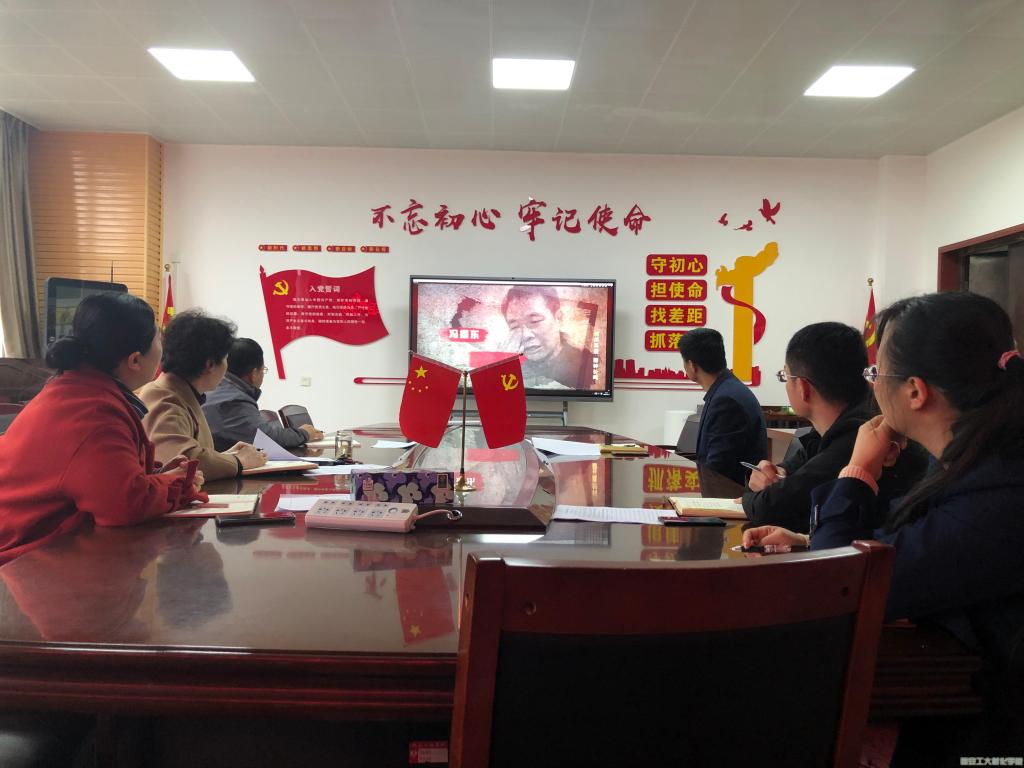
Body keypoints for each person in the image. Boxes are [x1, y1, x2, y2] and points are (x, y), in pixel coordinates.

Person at [744, 292, 1024, 759]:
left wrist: (858, 470)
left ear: (915, 391)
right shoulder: (975, 459)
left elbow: (840, 584)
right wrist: (809, 540)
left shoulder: (998, 487)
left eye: (877, 373)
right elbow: (910, 542)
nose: (871, 385)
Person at [0, 293, 205, 565]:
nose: (162, 347)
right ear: (134, 360)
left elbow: (104, 478)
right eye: (158, 338)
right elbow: (125, 504)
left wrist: (156, 475)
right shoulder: (93, 412)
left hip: (46, 553)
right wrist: (178, 482)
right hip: (21, 565)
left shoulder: (78, 389)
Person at [742, 322, 926, 532]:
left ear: (803, 387)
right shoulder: (833, 427)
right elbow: (791, 474)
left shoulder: (861, 435)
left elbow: (768, 508)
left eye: (785, 376)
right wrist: (767, 475)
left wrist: (751, 493)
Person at [140, 310, 266, 481]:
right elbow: (183, 461)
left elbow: (193, 451)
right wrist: (238, 461)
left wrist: (226, 457)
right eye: (226, 358)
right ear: (210, 364)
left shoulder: (181, 392)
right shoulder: (163, 398)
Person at [678, 328, 767, 485]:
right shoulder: (726, 389)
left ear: (692, 365)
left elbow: (719, 468)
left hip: (729, 493)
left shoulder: (726, 401)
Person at [203, 338, 323, 452]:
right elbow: (268, 438)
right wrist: (304, 433)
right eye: (263, 370)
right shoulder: (234, 400)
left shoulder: (217, 388)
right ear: (254, 373)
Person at [500, 285, 594, 389]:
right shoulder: (510, 370)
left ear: (559, 318)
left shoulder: (588, 365)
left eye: (534, 321)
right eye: (515, 327)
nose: (525, 335)